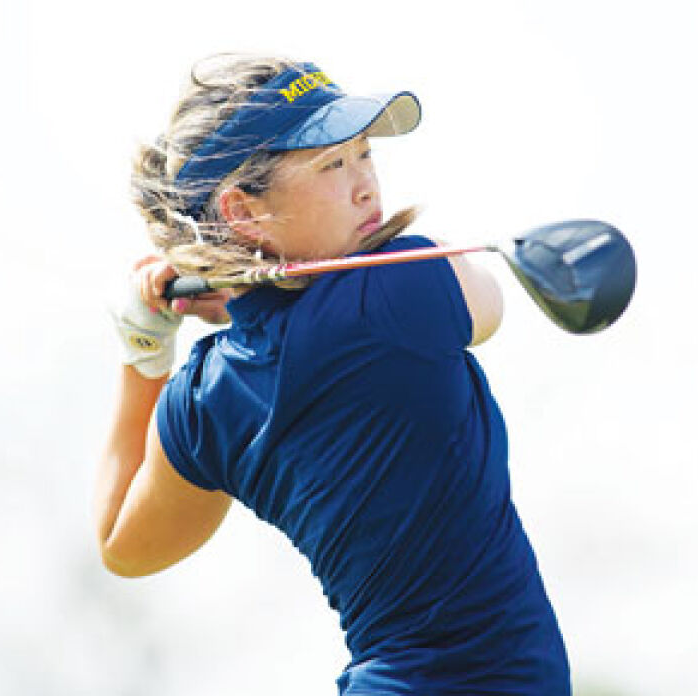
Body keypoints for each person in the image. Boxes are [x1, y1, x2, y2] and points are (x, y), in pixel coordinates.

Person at [97, 54, 571, 694]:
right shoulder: (397, 288)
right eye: (332, 164)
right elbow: (488, 304)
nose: (366, 185)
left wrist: (146, 350)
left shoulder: (204, 399)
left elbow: (125, 545)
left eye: (364, 154)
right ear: (243, 212)